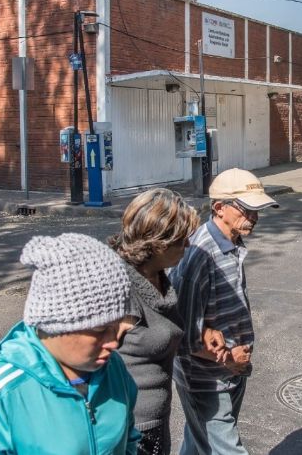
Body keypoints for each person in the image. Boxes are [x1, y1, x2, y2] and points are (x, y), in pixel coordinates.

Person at [0, 233, 142, 455]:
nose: (114, 342)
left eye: (117, 325)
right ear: (56, 323)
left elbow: (128, 439)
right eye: (100, 330)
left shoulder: (114, 370)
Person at [169, 168, 279, 455]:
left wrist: (235, 362)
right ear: (219, 208)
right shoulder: (199, 256)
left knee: (197, 442)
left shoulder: (232, 242)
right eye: (247, 210)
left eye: (257, 210)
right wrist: (228, 358)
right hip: (205, 379)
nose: (254, 217)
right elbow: (180, 334)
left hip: (232, 371)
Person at [110, 189, 224, 455]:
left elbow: (161, 329)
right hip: (128, 430)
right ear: (159, 241)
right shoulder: (119, 286)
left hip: (155, 422)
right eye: (182, 240)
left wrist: (199, 332)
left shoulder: (158, 274)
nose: (188, 245)